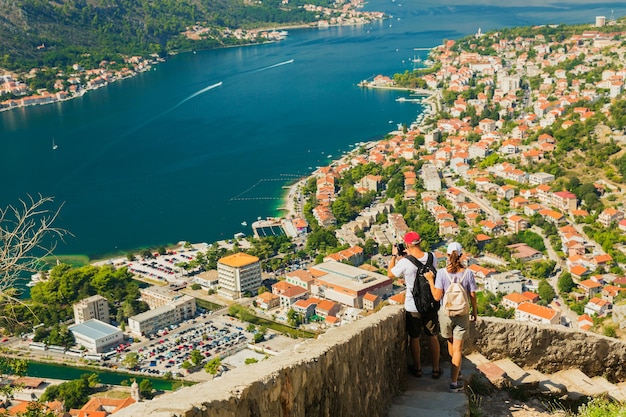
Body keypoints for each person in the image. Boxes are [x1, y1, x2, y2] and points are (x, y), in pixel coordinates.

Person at [425, 241, 477, 393]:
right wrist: (474, 312)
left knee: (450, 342)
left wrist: (430, 280)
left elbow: (436, 297)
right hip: (462, 314)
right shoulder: (468, 273)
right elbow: (473, 295)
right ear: (461, 256)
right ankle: (454, 382)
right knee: (458, 349)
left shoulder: (441, 273)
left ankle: (456, 371)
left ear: (448, 255)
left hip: (446, 313)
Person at [388, 231, 441, 379]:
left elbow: (390, 275)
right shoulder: (432, 257)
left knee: (415, 337)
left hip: (413, 306)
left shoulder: (405, 262)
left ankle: (417, 368)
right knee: (433, 336)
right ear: (420, 242)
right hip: (430, 303)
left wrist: (394, 256)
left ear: (406, 245)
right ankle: (436, 369)